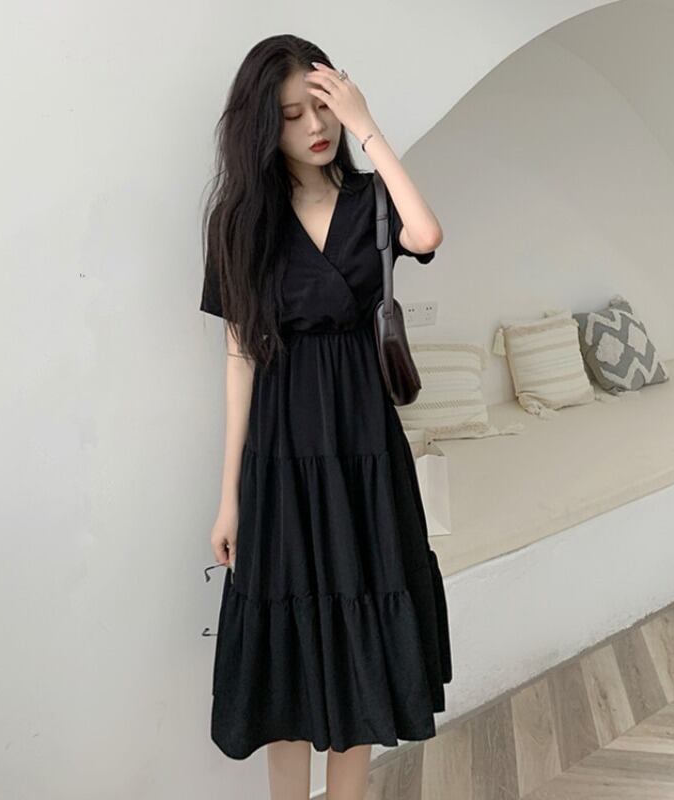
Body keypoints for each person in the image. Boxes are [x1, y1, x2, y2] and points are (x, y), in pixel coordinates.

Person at [198, 34, 453, 800]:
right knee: (287, 655)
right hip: (280, 454)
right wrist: (229, 494)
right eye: (290, 115)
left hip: (363, 447)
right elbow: (240, 358)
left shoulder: (372, 200)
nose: (314, 126)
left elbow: (425, 234)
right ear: (260, 126)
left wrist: (367, 125)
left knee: (360, 638)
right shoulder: (241, 222)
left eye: (323, 107)